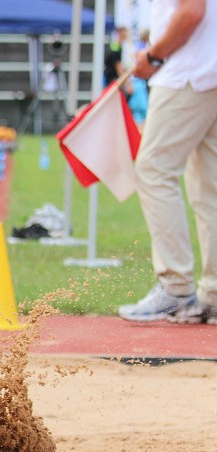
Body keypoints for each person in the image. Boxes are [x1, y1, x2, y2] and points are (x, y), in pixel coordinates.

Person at [117, 0, 217, 325]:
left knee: (154, 169)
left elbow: (191, 11)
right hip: (207, 70)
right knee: (209, 188)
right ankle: (213, 294)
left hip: (186, 75)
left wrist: (154, 55)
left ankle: (176, 286)